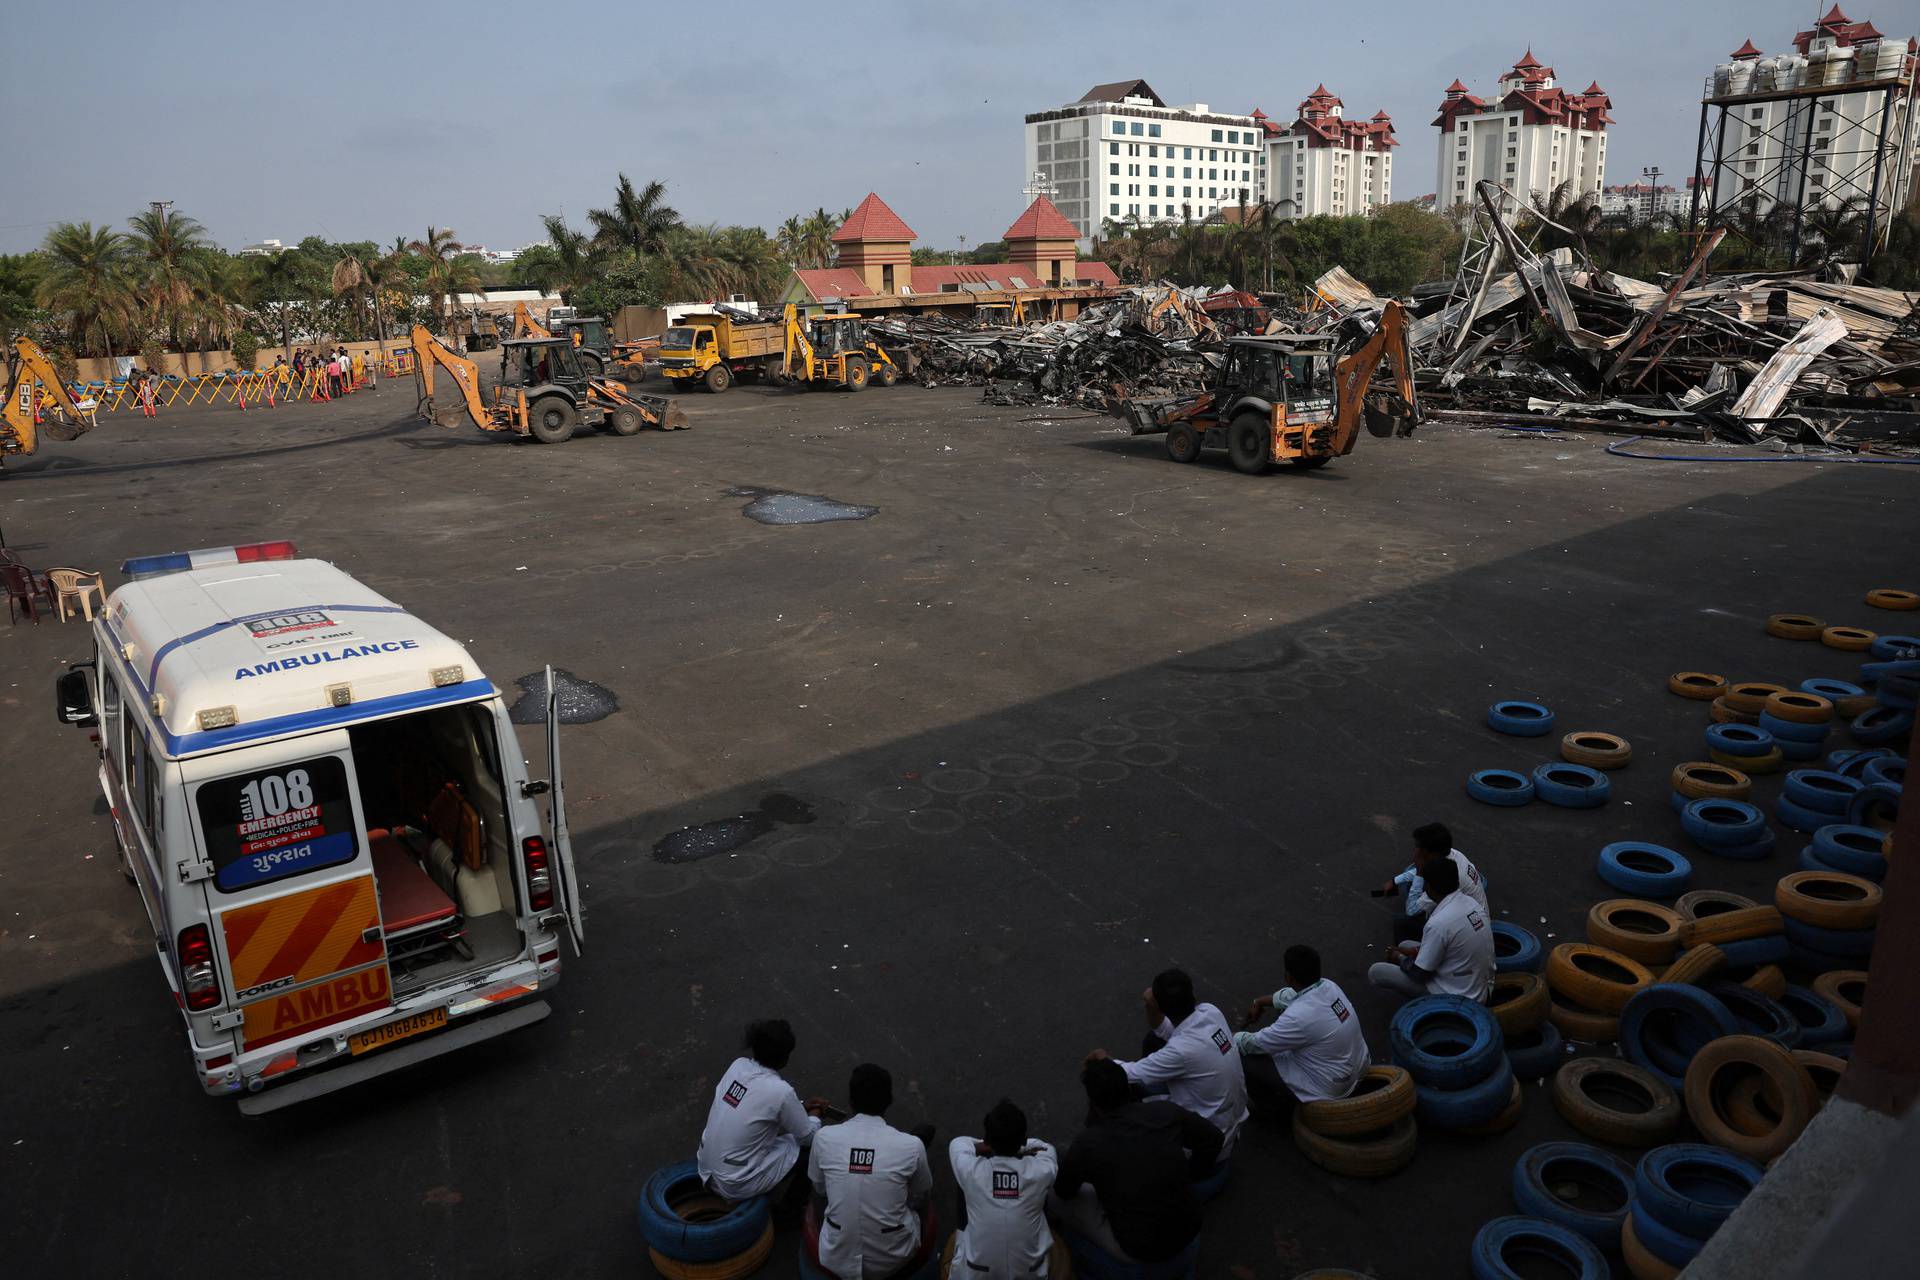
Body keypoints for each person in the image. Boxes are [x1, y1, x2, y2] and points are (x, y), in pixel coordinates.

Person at [1050, 1058, 1219, 1266]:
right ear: (1128, 1089)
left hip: (1141, 1250)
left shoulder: (1088, 1143)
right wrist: (1189, 1176)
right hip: (1190, 1228)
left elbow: (1064, 1191)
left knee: (1054, 1197)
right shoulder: (1165, 1112)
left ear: (1093, 1104)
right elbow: (1214, 1139)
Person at [1096, 968, 1248, 1158]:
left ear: (1161, 1006)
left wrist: (1101, 1059)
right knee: (1153, 1040)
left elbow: (1125, 1074)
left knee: (1125, 1102)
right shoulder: (1210, 1012)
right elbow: (1164, 1030)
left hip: (1204, 1144)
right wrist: (1152, 1006)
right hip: (1228, 1125)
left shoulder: (1180, 1051)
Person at [808, 1063, 934, 1280]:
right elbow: (920, 1194)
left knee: (821, 1192)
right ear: (889, 1101)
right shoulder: (911, 1146)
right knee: (919, 1193)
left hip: (836, 1256)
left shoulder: (824, 1137)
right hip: (894, 1258)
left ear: (851, 1100)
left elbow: (820, 1189)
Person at [696, 1019, 825, 1206]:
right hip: (734, 1183)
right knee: (809, 1150)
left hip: (705, 1168)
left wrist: (800, 1106)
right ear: (785, 1058)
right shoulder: (781, 1091)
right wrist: (815, 1114)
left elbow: (755, 1102)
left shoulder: (737, 1066)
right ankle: (788, 1217)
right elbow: (808, 1137)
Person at [1235, 945, 1371, 1117]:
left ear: (1288, 977)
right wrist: (1259, 1002)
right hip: (1360, 1066)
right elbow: (1290, 995)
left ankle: (1270, 1109)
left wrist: (1233, 1037)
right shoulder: (1329, 986)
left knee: (1243, 1055)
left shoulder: (1297, 1017)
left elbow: (1254, 1044)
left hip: (1332, 1087)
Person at [947, 1100, 1057, 1279]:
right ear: (1022, 1139)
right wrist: (1022, 1146)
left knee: (964, 1185)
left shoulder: (970, 1169)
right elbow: (1045, 1148)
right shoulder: (1041, 1171)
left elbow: (960, 1142)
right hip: (1030, 1274)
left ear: (989, 1141)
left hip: (975, 1274)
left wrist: (987, 1144)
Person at [1368, 857, 1495, 1003]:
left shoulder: (1438, 923)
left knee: (1376, 971)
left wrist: (1399, 958)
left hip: (1458, 997)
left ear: (1428, 887)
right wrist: (1409, 953)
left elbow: (1419, 974)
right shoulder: (1471, 903)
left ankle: (1424, 1007)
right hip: (1480, 986)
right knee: (1405, 945)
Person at [1373, 822, 1488, 943]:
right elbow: (1423, 868)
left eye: (1418, 847)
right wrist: (1395, 881)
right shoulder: (1452, 854)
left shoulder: (1443, 877)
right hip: (1475, 913)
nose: (1415, 850)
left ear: (1429, 853)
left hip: (1468, 928)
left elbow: (1411, 910)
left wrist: (1419, 872)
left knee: (1402, 923)